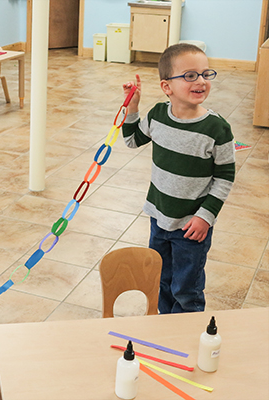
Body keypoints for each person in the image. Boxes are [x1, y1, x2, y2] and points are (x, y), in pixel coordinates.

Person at [121, 43, 235, 314]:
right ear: (166, 87)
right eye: (190, 75)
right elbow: (131, 140)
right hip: (159, 218)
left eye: (206, 74)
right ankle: (165, 325)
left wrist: (205, 216)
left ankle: (186, 331)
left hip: (191, 226)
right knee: (161, 278)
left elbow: (225, 176)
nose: (201, 81)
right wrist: (133, 106)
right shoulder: (158, 116)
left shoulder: (217, 128)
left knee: (187, 289)